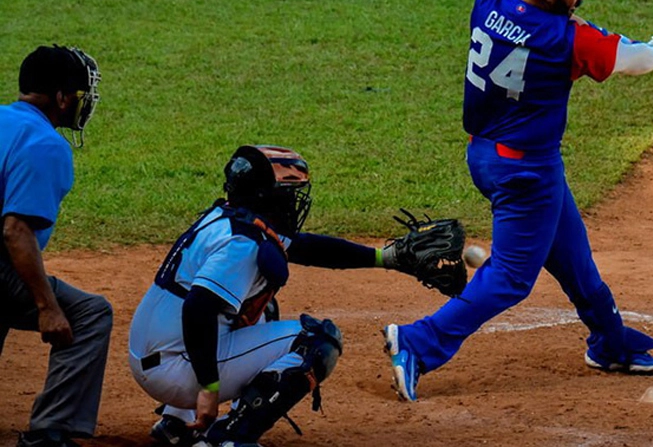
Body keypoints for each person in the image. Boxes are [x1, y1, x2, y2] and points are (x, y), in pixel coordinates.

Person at [383, 0, 653, 402]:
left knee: (573, 256)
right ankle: (419, 342)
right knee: (512, 277)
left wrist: (580, 30)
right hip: (525, 173)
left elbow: (549, 31)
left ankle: (610, 342)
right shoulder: (566, 39)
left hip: (486, 154)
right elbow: (635, 60)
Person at [129, 145, 430, 447]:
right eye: (288, 192)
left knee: (263, 307)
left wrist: (384, 257)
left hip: (153, 354)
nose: (293, 202)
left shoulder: (227, 217)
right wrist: (208, 388)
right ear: (266, 195)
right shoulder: (242, 242)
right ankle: (232, 437)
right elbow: (197, 309)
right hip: (175, 371)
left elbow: (307, 247)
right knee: (317, 342)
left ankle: (177, 422)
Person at [0, 45, 112, 446]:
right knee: (88, 315)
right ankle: (50, 432)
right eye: (80, 95)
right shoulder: (46, 144)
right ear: (61, 98)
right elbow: (15, 232)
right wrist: (48, 308)